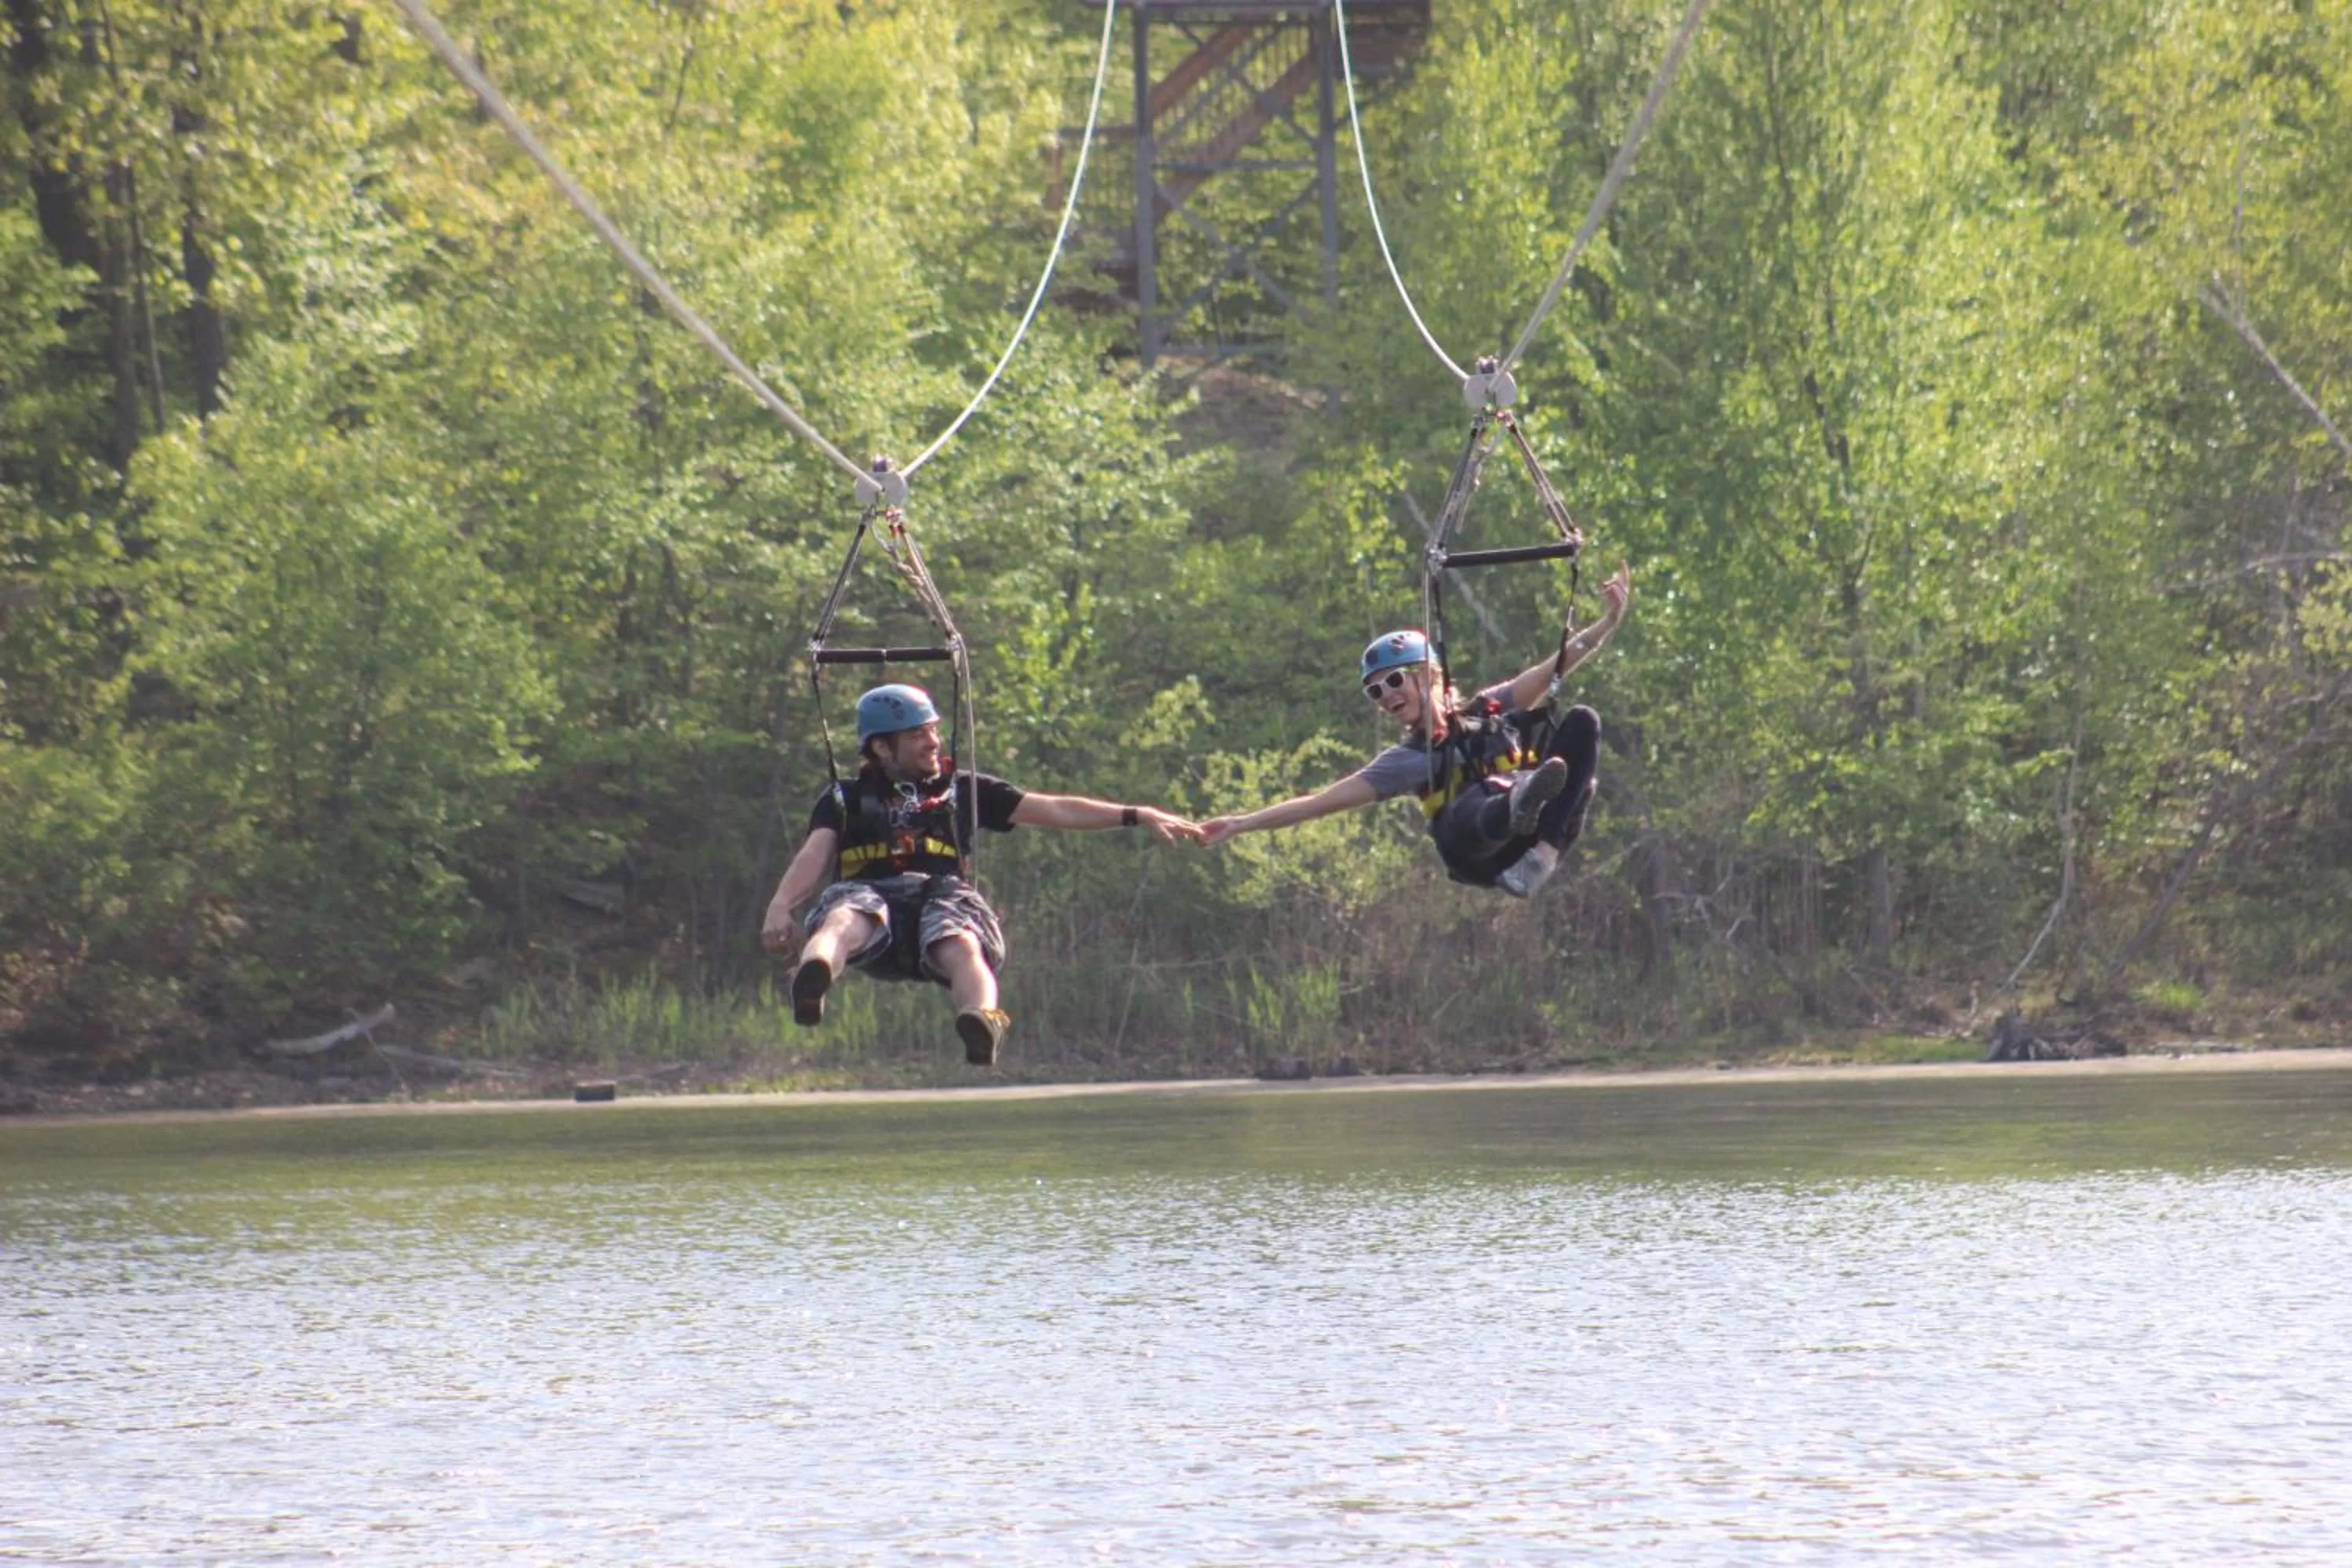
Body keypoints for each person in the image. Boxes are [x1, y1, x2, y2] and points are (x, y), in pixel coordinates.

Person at [761, 683, 1201, 1066]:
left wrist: (1135, 814)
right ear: (880, 747)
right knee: (846, 918)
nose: (933, 741)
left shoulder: (967, 790)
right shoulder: (845, 798)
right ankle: (815, 975)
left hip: (941, 896)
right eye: (917, 734)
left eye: (933, 729)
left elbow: (1057, 808)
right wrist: (781, 906)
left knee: (961, 943)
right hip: (869, 895)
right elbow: (814, 855)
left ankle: (980, 1021)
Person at [1201, 565, 1632, 898]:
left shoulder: (1490, 707)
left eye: (1393, 681)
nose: (1384, 696)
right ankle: (1518, 799)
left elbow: (1555, 666)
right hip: (1477, 850)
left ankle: (1542, 853)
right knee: (1471, 805)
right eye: (1374, 691)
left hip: (1536, 840)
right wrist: (1240, 824)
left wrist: (1608, 622)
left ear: (1428, 676)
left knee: (1583, 721)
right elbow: (1318, 804)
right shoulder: (1404, 762)